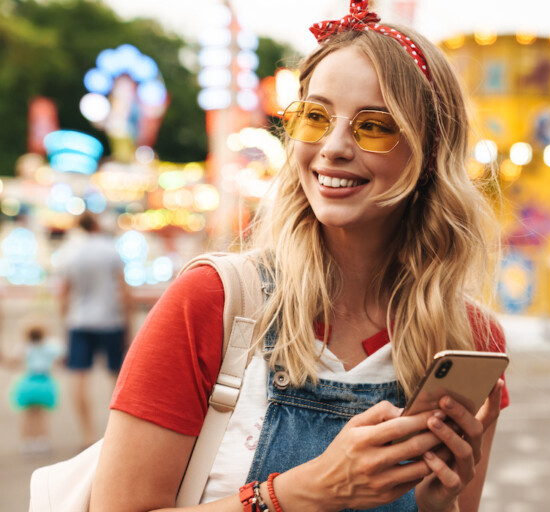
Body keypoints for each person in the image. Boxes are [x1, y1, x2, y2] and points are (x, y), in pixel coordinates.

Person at [93, 1, 509, 510]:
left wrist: (436, 505)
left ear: (429, 152)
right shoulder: (214, 302)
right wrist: (298, 493)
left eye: (373, 125)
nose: (333, 147)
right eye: (315, 117)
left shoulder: (469, 338)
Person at [59, 211, 129, 445]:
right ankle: (116, 434)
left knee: (78, 378)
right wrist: (129, 322)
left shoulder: (70, 252)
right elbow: (123, 290)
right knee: (117, 378)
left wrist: (63, 324)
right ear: (96, 224)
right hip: (110, 321)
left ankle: (87, 435)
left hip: (78, 321)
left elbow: (64, 293)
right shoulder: (110, 250)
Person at [4, 324, 62, 454]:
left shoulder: (25, 348)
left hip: (28, 383)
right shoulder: (49, 348)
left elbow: (12, 362)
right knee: (41, 415)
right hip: (44, 383)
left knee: (28, 415)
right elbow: (60, 357)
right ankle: (41, 440)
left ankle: (27, 441)